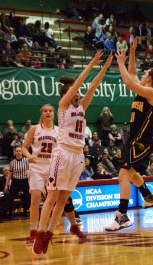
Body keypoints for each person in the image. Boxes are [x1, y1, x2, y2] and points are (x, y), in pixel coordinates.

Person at [33, 51, 113, 254]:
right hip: (62, 153)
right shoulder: (62, 106)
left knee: (63, 199)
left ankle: (49, 233)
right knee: (51, 197)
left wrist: (105, 67)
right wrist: (93, 62)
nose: (77, 94)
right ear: (66, 94)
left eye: (77, 93)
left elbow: (93, 85)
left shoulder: (82, 107)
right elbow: (80, 82)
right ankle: (40, 234)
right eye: (73, 92)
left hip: (77, 156)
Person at [105, 37, 153, 231]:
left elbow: (129, 82)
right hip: (134, 139)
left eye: (145, 72)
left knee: (123, 176)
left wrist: (119, 63)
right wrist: (132, 52)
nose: (141, 74)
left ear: (150, 78)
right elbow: (131, 75)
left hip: (142, 141)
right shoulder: (144, 90)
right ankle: (148, 195)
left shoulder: (152, 93)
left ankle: (121, 215)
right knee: (130, 173)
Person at [22, 104, 82, 245]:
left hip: (55, 166)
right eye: (45, 110)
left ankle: (73, 225)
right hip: (37, 166)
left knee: (65, 199)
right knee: (35, 198)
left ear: (54, 114)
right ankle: (33, 232)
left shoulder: (59, 130)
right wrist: (29, 156)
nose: (47, 112)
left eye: (50, 110)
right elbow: (23, 147)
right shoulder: (34, 129)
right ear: (42, 113)